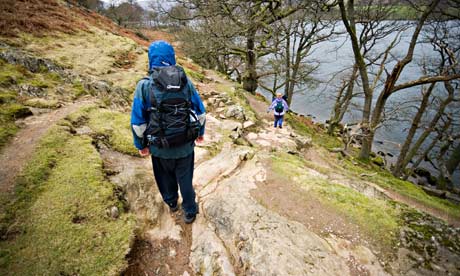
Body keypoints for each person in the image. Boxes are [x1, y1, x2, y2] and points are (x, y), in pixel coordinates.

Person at [130, 40, 206, 224]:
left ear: (150, 59)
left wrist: (141, 145)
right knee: (185, 179)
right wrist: (200, 133)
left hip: (159, 147)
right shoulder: (185, 81)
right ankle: (189, 211)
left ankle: (172, 203)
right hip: (185, 146)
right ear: (172, 57)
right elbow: (200, 112)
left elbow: (138, 122)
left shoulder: (144, 86)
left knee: (164, 178)